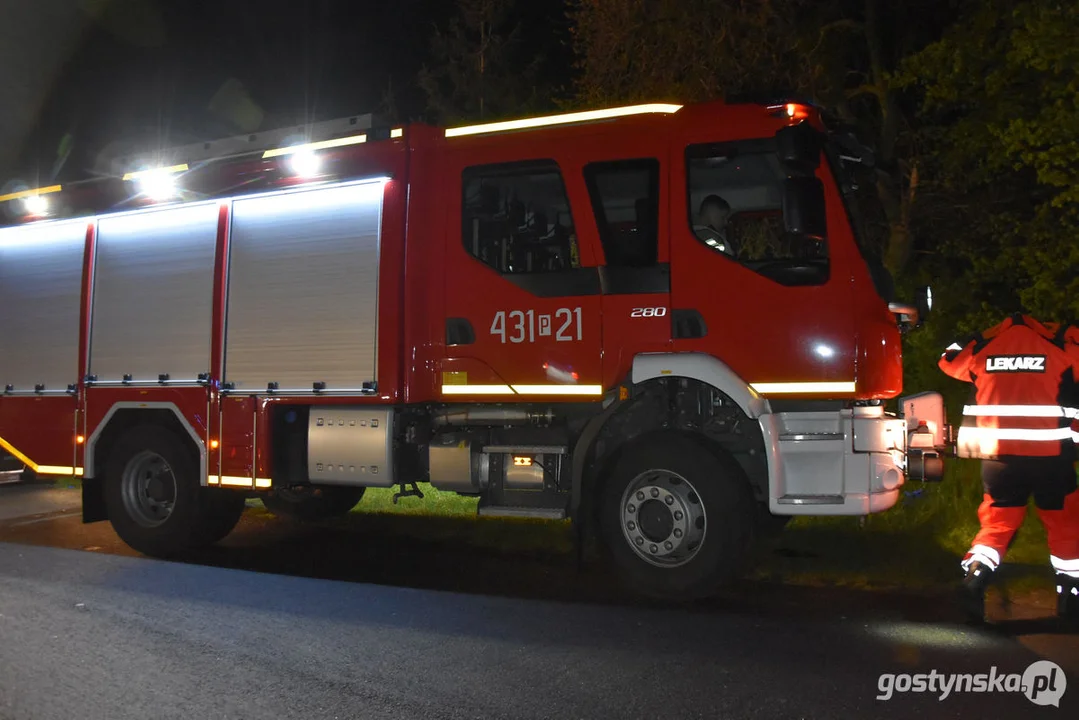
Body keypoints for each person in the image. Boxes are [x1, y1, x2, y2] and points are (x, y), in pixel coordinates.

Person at [939, 313, 1079, 623]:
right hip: (1052, 459)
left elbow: (948, 359)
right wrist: (1066, 330)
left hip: (999, 460)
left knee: (998, 524)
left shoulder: (983, 350)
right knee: (1065, 526)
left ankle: (976, 576)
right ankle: (1070, 600)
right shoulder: (1061, 348)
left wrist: (983, 332)